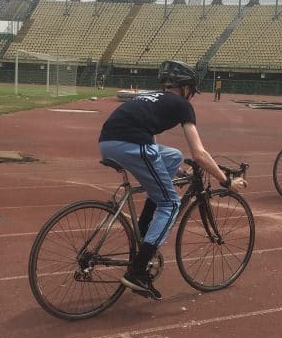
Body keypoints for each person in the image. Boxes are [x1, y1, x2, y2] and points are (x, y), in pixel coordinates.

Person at [99, 60, 247, 300]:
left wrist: (178, 171)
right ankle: (138, 271)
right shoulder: (182, 105)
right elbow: (199, 154)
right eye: (192, 91)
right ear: (186, 88)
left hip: (108, 143)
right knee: (170, 203)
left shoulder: (151, 98)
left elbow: (151, 140)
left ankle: (144, 232)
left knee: (174, 155)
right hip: (131, 145)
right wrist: (226, 181)